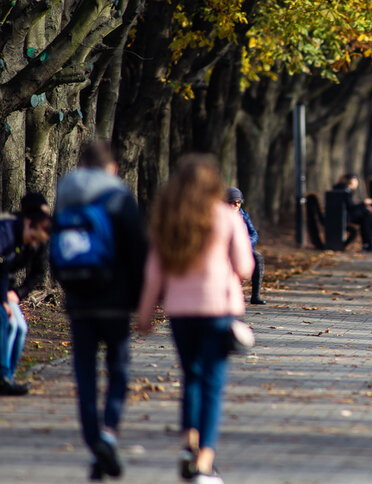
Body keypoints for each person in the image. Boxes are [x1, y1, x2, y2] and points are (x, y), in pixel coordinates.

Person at [136, 155, 253, 484]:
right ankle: (204, 461)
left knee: (191, 376)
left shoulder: (169, 218)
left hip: (180, 311)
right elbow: (245, 267)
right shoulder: (226, 216)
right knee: (213, 384)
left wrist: (145, 314)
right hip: (218, 310)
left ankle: (189, 440)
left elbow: (154, 271)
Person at [54, 141, 148, 479]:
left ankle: (95, 444)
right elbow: (137, 251)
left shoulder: (66, 191)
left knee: (84, 375)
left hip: (79, 300)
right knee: (118, 371)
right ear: (112, 168)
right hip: (115, 300)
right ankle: (109, 433)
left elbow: (58, 243)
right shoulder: (120, 196)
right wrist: (141, 303)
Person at [0, 193, 52, 396]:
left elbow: (38, 272)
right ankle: (3, 376)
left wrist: (17, 294)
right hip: (3, 288)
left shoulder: (40, 237)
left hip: (7, 288)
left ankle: (8, 376)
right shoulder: (8, 230)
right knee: (7, 322)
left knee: (20, 327)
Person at [226, 187, 267, 304]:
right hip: (226, 250)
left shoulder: (244, 215)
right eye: (232, 202)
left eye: (238, 202)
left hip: (244, 249)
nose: (236, 205)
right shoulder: (220, 216)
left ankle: (256, 295)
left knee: (258, 258)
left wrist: (247, 245)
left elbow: (254, 233)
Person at [332, 174, 372, 252]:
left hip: (343, 215)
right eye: (355, 180)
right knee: (367, 216)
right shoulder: (345, 190)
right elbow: (351, 207)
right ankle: (369, 241)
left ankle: (369, 240)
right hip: (344, 217)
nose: (357, 183)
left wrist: (364, 207)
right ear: (351, 181)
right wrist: (364, 204)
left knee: (367, 215)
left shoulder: (343, 189)